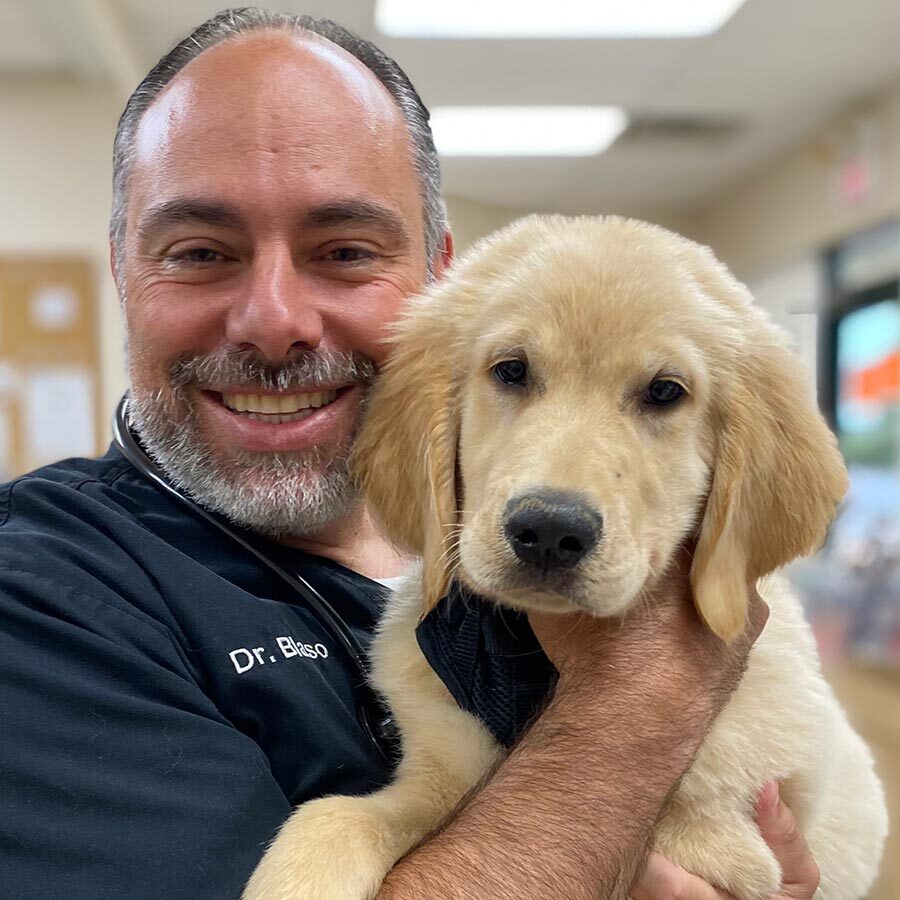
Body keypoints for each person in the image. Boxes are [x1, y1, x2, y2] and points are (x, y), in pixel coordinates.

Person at [0, 9, 821, 900]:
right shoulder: (44, 588)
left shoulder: (506, 520)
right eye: (200, 252)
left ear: (440, 280)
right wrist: (646, 701)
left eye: (345, 251)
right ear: (124, 269)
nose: (275, 322)